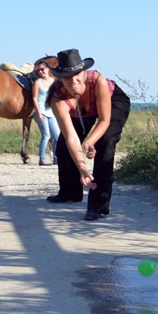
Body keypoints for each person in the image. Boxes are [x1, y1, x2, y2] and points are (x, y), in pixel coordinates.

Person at [46, 49, 130, 220]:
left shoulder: (97, 80)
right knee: (63, 145)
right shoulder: (58, 99)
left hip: (113, 101)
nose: (73, 79)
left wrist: (89, 143)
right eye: (67, 76)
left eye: (77, 74)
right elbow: (71, 137)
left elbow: (104, 121)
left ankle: (98, 206)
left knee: (105, 143)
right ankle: (70, 193)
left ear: (84, 72)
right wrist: (83, 169)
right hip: (80, 109)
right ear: (60, 78)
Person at [31, 60, 60, 166]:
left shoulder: (54, 81)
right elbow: (34, 98)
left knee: (57, 136)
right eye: (38, 70)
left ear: (47, 69)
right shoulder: (37, 83)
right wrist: (38, 112)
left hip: (51, 112)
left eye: (42, 69)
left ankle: (56, 158)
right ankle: (42, 159)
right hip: (41, 111)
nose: (40, 72)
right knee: (46, 135)